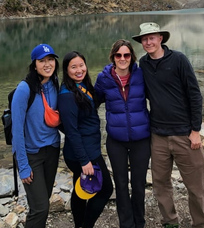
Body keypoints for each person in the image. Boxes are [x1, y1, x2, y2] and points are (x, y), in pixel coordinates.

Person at [133, 22, 204, 228]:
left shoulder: (179, 60)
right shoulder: (143, 64)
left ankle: (201, 223)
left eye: (152, 37)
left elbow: (195, 95)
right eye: (144, 39)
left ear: (160, 39)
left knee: (195, 186)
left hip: (185, 134)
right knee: (160, 184)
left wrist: (195, 131)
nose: (148, 42)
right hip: (157, 135)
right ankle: (170, 222)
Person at [94, 40, 151, 228]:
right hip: (116, 140)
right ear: (113, 57)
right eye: (118, 55)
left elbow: (159, 96)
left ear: (131, 57)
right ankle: (126, 225)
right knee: (120, 185)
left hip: (141, 139)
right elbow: (92, 104)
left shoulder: (141, 74)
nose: (122, 59)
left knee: (139, 185)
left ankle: (139, 223)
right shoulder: (104, 79)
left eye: (126, 55)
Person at [58, 51, 114, 228]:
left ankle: (79, 224)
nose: (79, 70)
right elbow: (72, 131)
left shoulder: (81, 87)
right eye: (73, 67)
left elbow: (91, 104)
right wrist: (85, 160)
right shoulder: (67, 95)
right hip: (84, 153)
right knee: (105, 190)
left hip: (84, 150)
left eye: (81, 65)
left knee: (80, 188)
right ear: (66, 70)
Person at [11, 44, 62, 228]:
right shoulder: (24, 89)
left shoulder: (54, 83)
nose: (47, 64)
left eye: (50, 60)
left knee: (42, 202)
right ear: (34, 65)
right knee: (41, 208)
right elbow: (16, 131)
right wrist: (23, 165)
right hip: (32, 155)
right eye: (42, 61)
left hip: (52, 151)